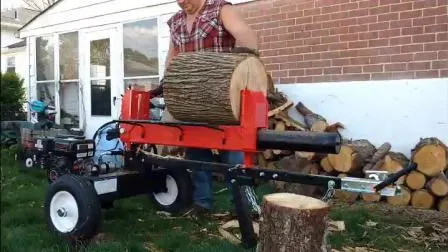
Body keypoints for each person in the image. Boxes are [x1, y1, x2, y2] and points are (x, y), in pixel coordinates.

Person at [150, 0, 261, 217]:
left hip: (222, 100)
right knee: (197, 153)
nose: (182, 3)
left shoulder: (221, 9)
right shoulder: (177, 22)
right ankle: (203, 203)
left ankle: (244, 207)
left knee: (233, 156)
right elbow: (172, 58)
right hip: (192, 101)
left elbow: (246, 35)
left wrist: (241, 66)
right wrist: (167, 83)